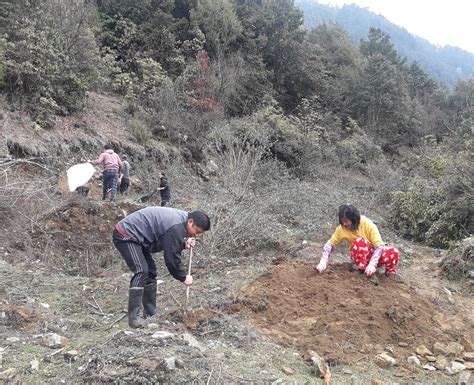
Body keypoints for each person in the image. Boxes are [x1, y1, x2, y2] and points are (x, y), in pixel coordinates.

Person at [113, 207, 211, 328]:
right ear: (190, 222)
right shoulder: (176, 226)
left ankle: (150, 314)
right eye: (197, 231)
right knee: (142, 271)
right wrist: (183, 277)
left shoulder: (180, 221)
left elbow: (166, 242)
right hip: (126, 234)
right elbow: (171, 259)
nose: (196, 235)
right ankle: (134, 319)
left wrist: (183, 244)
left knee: (150, 272)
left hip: (139, 238)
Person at [316, 204, 400, 278]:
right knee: (360, 242)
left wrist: (372, 264)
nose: (344, 224)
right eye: (342, 221)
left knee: (394, 252)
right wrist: (323, 261)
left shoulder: (368, 224)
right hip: (359, 256)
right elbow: (330, 244)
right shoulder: (341, 229)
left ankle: (389, 274)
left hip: (374, 256)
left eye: (346, 221)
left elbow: (379, 246)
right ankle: (361, 270)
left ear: (353, 219)